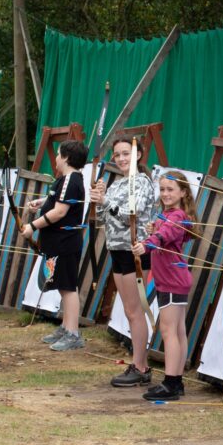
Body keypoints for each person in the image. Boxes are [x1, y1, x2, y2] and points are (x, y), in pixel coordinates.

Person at [88, 137, 157, 386]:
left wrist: (105, 201)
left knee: (135, 311)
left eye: (126, 153)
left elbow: (133, 213)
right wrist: (99, 198)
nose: (121, 158)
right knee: (130, 311)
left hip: (134, 251)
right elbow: (106, 219)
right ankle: (139, 363)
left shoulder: (141, 181)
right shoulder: (117, 184)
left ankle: (140, 366)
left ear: (138, 155)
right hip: (117, 249)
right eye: (117, 155)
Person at [135, 171, 198, 401]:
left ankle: (171, 383)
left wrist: (147, 244)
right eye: (162, 189)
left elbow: (166, 235)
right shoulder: (170, 214)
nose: (165, 194)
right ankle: (177, 382)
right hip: (174, 279)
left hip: (172, 279)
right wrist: (155, 231)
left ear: (183, 192)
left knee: (169, 331)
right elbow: (167, 232)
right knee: (178, 331)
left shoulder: (177, 216)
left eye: (170, 189)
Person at [23, 140, 89, 351]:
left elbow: (60, 211)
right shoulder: (67, 180)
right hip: (58, 242)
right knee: (63, 285)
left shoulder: (72, 180)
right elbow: (58, 201)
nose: (57, 158)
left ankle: (73, 333)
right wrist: (42, 202)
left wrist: (32, 226)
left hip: (65, 242)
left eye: (59, 154)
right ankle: (65, 327)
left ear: (67, 158)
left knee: (68, 287)